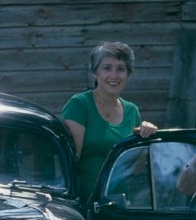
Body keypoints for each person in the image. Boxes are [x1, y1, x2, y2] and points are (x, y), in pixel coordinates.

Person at [62, 41, 157, 202]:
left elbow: (136, 167)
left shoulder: (132, 111)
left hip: (119, 205)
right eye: (107, 68)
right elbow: (70, 163)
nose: (114, 75)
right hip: (84, 203)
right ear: (95, 72)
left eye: (120, 69)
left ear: (128, 74)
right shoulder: (79, 105)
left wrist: (147, 134)